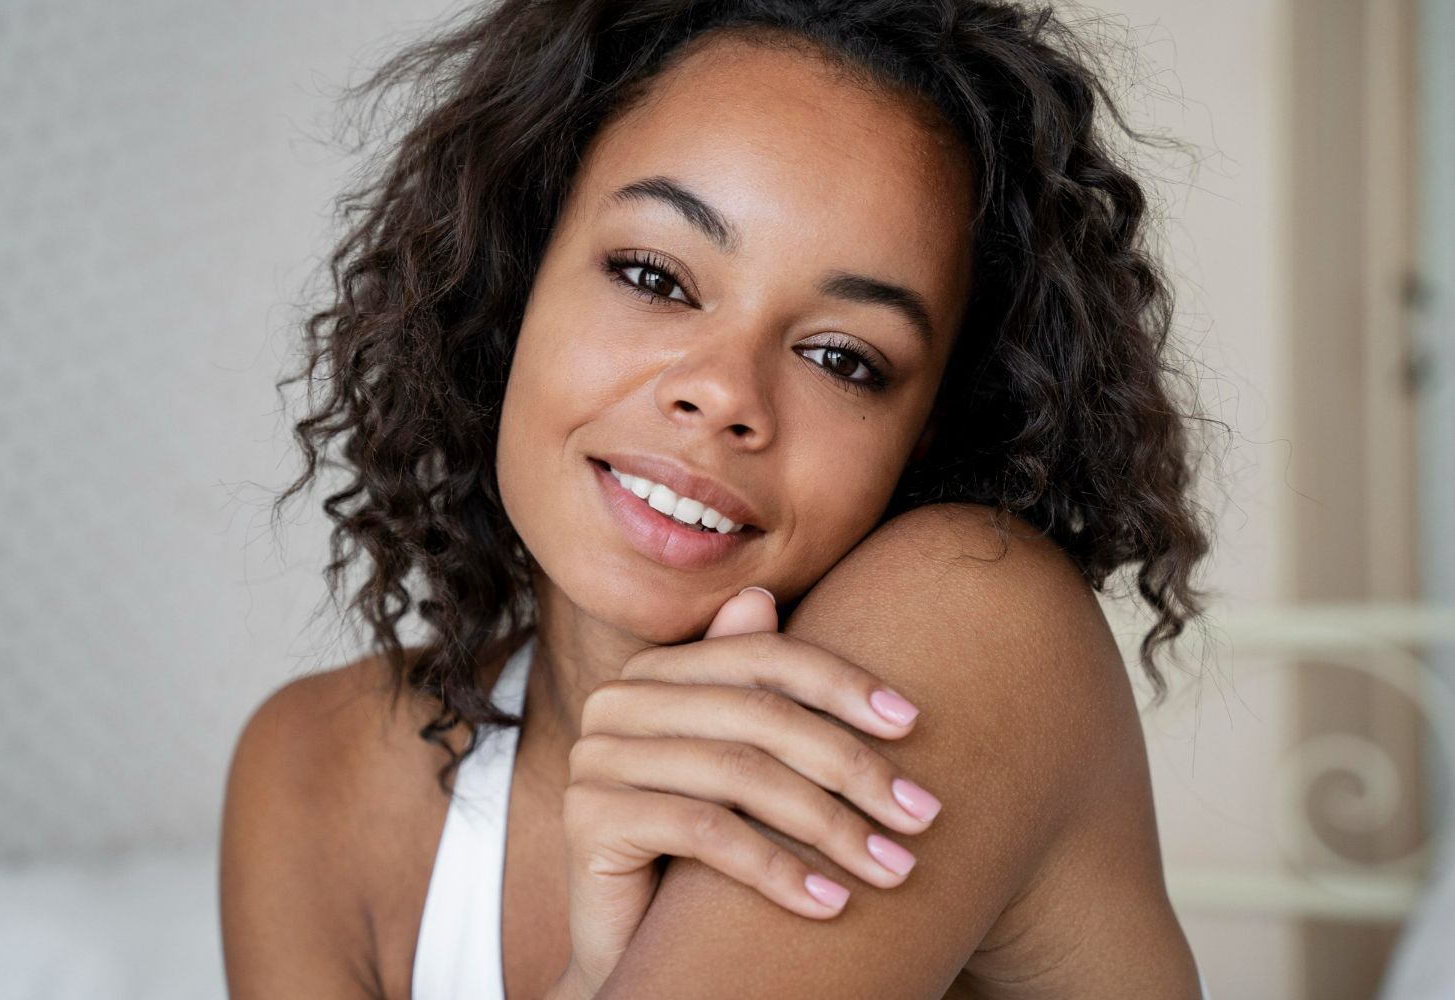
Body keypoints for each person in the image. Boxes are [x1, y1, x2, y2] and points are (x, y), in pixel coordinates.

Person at [220, 1, 1220, 997]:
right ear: (515, 274)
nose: (726, 392)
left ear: (931, 432)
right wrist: (590, 969)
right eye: (654, 275)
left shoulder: (975, 617)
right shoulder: (317, 771)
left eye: (842, 358)